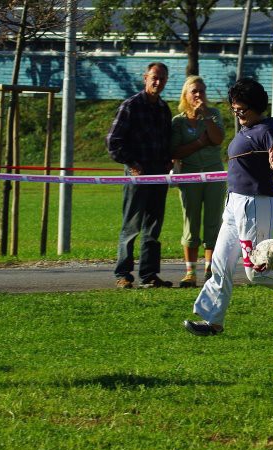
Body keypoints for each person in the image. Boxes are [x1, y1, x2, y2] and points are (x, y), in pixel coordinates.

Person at [183, 78, 273, 336]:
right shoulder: (248, 127)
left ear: (256, 107)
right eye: (234, 110)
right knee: (220, 262)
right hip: (235, 203)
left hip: (256, 204)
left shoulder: (266, 129)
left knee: (257, 272)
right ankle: (212, 321)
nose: (237, 115)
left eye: (241, 110)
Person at [106, 62, 174, 289]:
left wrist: (168, 162)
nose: (158, 82)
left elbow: (167, 142)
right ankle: (123, 273)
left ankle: (149, 274)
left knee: (153, 227)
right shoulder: (131, 106)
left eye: (162, 78)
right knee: (131, 225)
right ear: (145, 78)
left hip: (159, 176)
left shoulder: (164, 109)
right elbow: (113, 142)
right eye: (154, 77)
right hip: (137, 174)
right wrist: (131, 164)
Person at [171, 75, 226, 288]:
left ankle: (209, 269)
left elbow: (218, 139)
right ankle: (189, 272)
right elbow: (175, 150)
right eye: (194, 91)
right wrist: (200, 142)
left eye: (201, 91)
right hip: (190, 175)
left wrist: (206, 119)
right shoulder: (179, 121)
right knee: (190, 223)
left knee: (213, 221)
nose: (198, 95)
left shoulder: (214, 114)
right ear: (186, 94)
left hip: (214, 175)